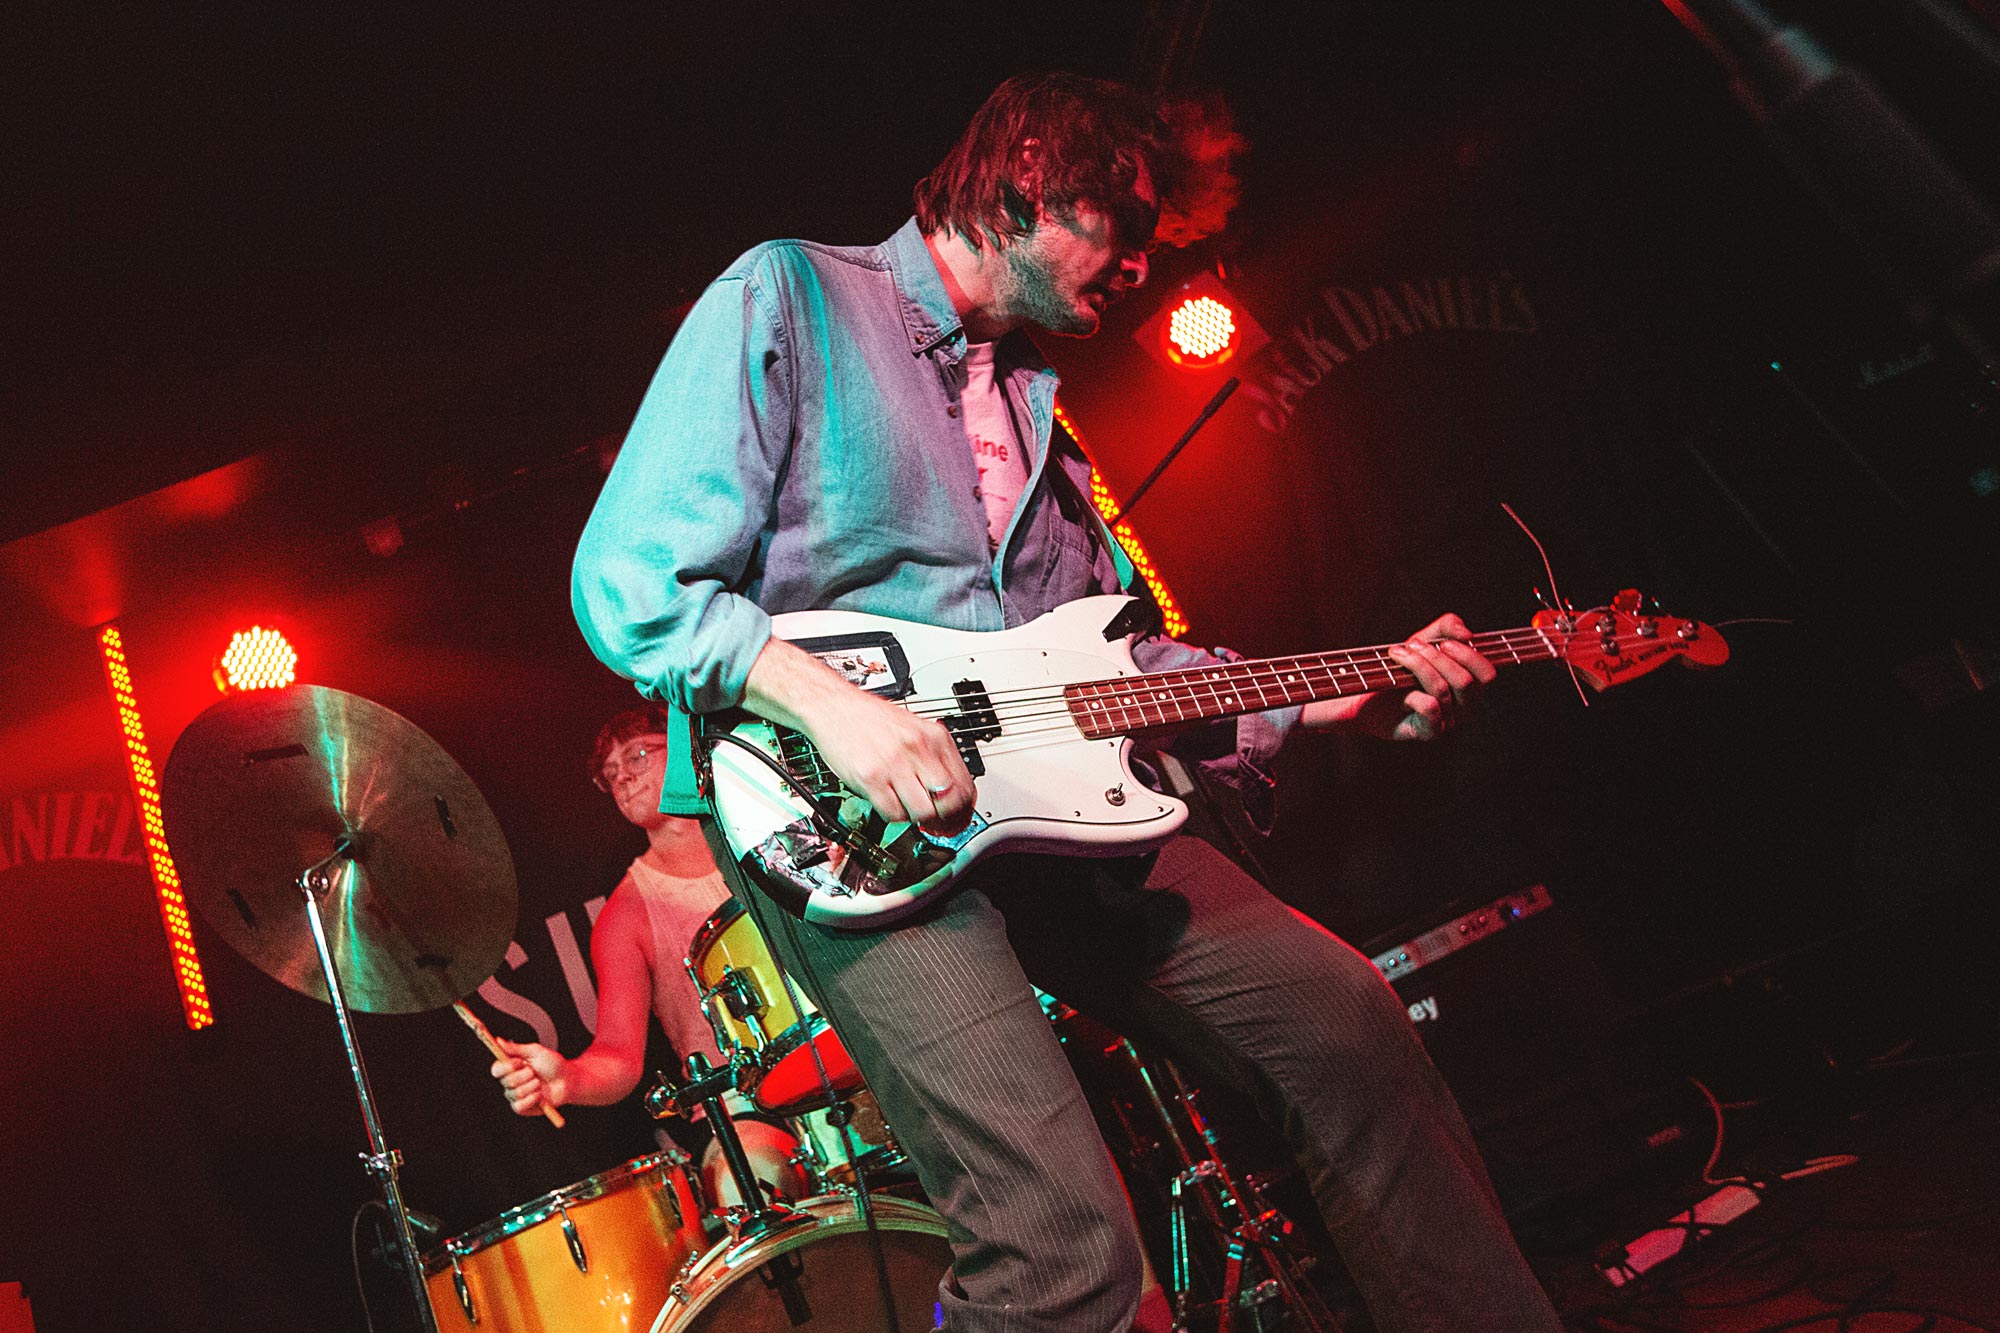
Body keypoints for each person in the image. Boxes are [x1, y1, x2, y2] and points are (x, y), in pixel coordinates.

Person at [571, 71, 1562, 1331]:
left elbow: (1109, 666)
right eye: (1128, 226)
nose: (1143, 265)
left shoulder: (1036, 407)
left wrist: (1341, 699)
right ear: (1031, 175)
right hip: (847, 830)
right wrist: (829, 704)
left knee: (1344, 1024)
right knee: (1059, 1251)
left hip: (1059, 806)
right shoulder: (796, 295)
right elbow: (629, 579)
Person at [486, 705, 808, 1210]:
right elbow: (619, 1056)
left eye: (638, 755)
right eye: (610, 772)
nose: (623, 777)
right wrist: (567, 1079)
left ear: (683, 746)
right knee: (752, 1182)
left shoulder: (771, 832)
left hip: (846, 1047)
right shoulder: (626, 914)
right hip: (745, 1099)